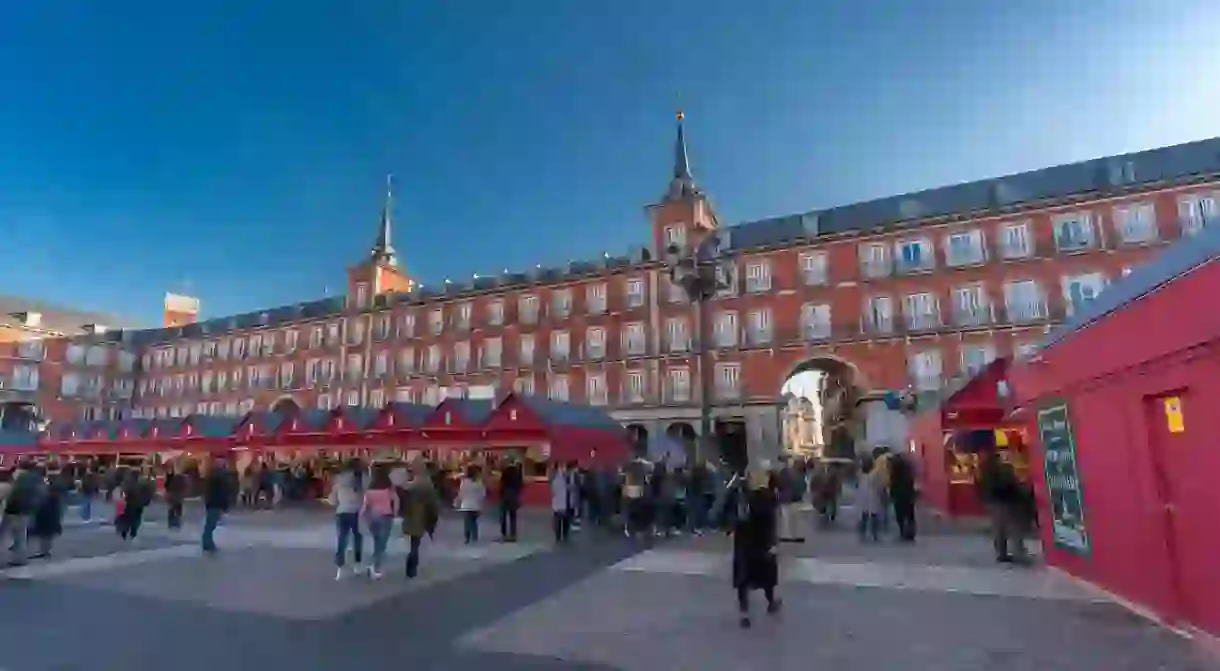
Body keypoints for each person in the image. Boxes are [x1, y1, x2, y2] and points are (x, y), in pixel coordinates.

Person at [720, 465, 782, 629]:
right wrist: (773, 543)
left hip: (743, 541)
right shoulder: (766, 496)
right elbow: (771, 520)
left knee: (743, 577)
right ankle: (770, 603)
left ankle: (745, 613)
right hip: (761, 542)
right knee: (766, 576)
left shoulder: (738, 495)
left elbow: (724, 511)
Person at [400, 461, 439, 579]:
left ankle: (411, 566)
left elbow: (403, 500)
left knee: (414, 542)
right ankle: (412, 566)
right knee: (416, 543)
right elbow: (433, 503)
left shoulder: (409, 485)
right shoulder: (427, 484)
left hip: (411, 515)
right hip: (423, 515)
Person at [329, 461, 366, 580]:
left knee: (342, 539)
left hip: (342, 512)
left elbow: (333, 500)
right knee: (358, 538)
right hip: (357, 512)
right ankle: (357, 564)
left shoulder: (339, 481)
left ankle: (340, 568)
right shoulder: (362, 479)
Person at [361, 465, 399, 579]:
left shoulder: (369, 489)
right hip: (385, 516)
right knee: (381, 544)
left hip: (372, 517)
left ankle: (375, 563)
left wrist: (363, 517)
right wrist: (395, 513)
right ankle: (375, 566)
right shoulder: (389, 488)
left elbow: (365, 505)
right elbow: (396, 500)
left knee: (377, 541)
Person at [201, 459, 231, 554]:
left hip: (212, 502)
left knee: (211, 524)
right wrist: (225, 504)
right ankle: (207, 543)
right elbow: (222, 492)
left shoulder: (212, 476)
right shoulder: (219, 477)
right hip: (216, 502)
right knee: (211, 524)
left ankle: (207, 542)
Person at [888, 452, 918, 542]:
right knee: (910, 515)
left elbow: (892, 485)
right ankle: (910, 534)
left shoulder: (894, 474)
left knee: (900, 515)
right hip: (908, 496)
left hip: (898, 496)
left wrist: (891, 495)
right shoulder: (908, 474)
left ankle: (902, 532)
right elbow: (912, 484)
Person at [456, 464, 486, 544]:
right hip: (476, 505)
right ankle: (474, 536)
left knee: (467, 522)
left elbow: (461, 493)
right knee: (474, 521)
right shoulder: (479, 482)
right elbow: (483, 494)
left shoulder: (464, 482)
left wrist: (459, 500)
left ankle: (467, 537)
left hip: (466, 504)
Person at [855, 458, 883, 542]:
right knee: (874, 515)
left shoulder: (860, 473)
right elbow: (878, 485)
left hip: (863, 494)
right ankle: (874, 534)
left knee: (864, 515)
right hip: (872, 494)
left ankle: (862, 534)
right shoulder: (875, 473)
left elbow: (857, 483)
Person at [498, 457, 523, 542]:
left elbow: (501, 483)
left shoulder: (505, 471)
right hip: (514, 495)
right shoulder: (518, 472)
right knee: (513, 516)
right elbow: (520, 484)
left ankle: (504, 533)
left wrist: (501, 493)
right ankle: (513, 534)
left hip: (505, 495)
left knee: (503, 515)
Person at [549, 462, 573, 544]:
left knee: (566, 519)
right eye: (561, 466)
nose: (563, 468)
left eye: (563, 466)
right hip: (558, 501)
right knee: (558, 519)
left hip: (567, 501)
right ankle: (558, 536)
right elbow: (552, 488)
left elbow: (572, 487)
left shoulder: (568, 476)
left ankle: (565, 535)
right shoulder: (554, 476)